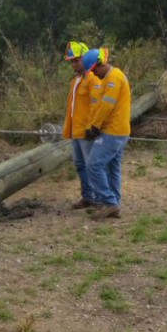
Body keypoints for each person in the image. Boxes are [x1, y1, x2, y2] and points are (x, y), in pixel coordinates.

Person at [81, 48, 131, 219]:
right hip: (118, 130)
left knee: (93, 164)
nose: (94, 73)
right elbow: (100, 105)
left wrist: (94, 126)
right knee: (112, 167)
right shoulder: (109, 78)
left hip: (113, 131)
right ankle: (114, 204)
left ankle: (109, 202)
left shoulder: (113, 78)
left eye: (95, 69)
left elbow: (107, 106)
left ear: (101, 64)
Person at [62, 41, 102, 209]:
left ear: (84, 58)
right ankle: (88, 196)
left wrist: (92, 126)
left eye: (76, 60)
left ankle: (100, 198)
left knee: (91, 165)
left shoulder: (93, 78)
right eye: (71, 61)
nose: (73, 64)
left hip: (87, 131)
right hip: (76, 130)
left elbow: (97, 104)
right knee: (80, 164)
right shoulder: (76, 80)